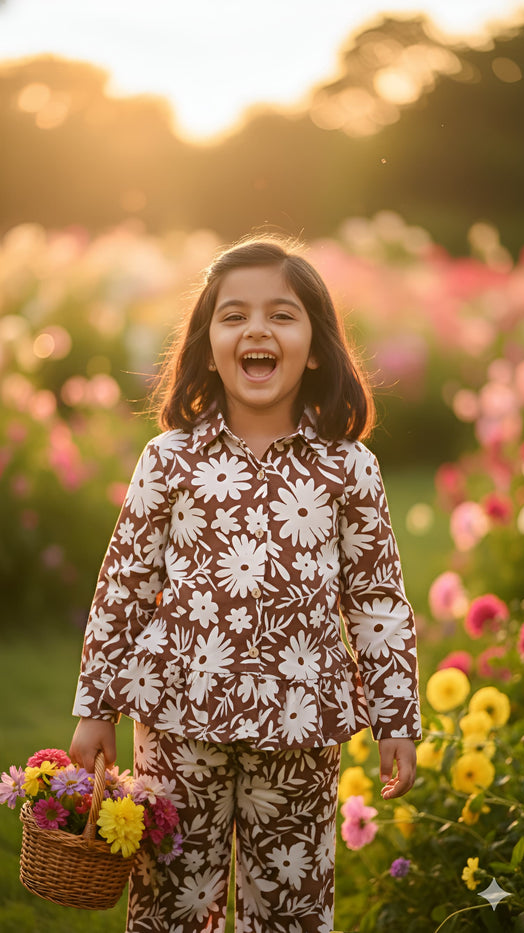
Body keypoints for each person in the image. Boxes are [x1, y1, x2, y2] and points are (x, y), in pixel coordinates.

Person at [69, 236, 422, 933]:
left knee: (289, 905)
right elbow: (126, 584)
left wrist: (395, 716)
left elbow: (376, 600)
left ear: (315, 346)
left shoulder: (347, 468)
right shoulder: (169, 460)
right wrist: (96, 703)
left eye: (281, 315)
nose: (256, 329)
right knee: (172, 897)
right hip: (178, 719)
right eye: (233, 316)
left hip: (300, 722)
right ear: (206, 345)